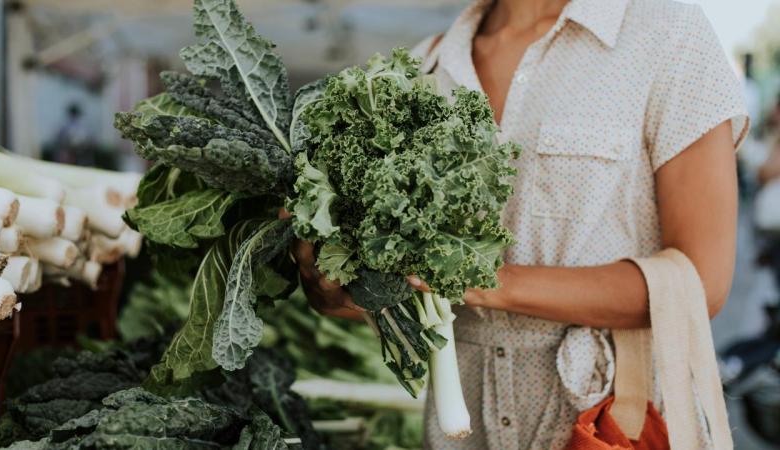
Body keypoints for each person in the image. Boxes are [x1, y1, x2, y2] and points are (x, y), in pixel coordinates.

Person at [292, 0, 749, 448]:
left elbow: (701, 281)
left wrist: (486, 281)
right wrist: (339, 288)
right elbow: (394, 290)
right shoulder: (424, 65)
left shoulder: (666, 32)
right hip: (461, 433)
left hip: (615, 425)